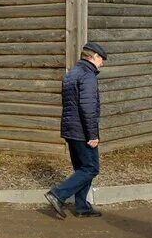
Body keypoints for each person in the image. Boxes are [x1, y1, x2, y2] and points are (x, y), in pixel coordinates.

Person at [46, 41, 108, 219]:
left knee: (82, 168)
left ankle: (82, 207)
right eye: (101, 59)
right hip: (82, 131)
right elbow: (88, 108)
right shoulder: (87, 76)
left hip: (70, 130)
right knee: (91, 168)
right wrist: (93, 135)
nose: (102, 63)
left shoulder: (72, 73)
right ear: (93, 57)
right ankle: (58, 194)